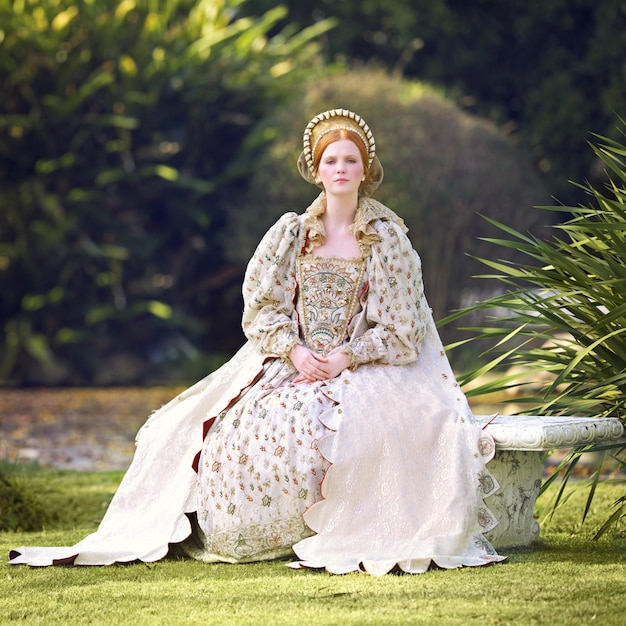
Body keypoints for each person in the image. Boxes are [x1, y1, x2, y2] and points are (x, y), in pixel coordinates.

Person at [9, 109, 506, 575]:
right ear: (315, 170)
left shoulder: (386, 239)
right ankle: (234, 532)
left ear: (365, 169)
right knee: (224, 427)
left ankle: (317, 526)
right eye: (330, 160)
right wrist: (295, 351)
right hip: (294, 359)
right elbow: (261, 306)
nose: (340, 169)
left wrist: (344, 357)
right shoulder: (291, 234)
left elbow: (402, 330)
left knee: (356, 430)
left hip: (361, 365)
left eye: (350, 160)